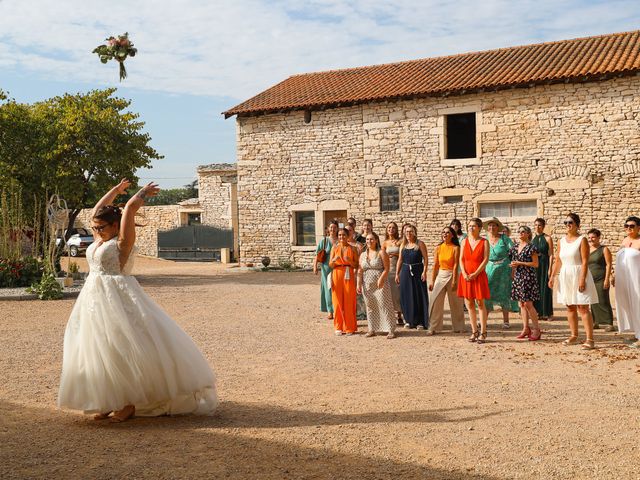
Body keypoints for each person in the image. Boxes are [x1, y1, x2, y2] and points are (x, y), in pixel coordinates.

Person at [58, 179, 218, 422]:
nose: (97, 231)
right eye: (95, 228)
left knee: (124, 346)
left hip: (118, 297)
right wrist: (115, 191)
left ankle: (129, 403)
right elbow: (97, 210)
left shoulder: (122, 243)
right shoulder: (100, 238)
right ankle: (106, 400)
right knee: (98, 347)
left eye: (101, 227)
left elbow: (131, 208)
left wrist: (141, 193)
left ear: (115, 226)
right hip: (93, 298)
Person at [549, 213, 598, 349]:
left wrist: (582, 279)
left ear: (577, 224)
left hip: (579, 273)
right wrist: (552, 276)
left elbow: (585, 261)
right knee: (569, 306)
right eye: (565, 222)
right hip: (565, 274)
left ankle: (590, 339)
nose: (568, 225)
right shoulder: (561, 241)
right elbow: (558, 260)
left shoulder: (582, 240)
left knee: (583, 307)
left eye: (570, 222)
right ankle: (574, 335)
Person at [357, 232, 397, 339]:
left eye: (371, 239)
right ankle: (372, 329)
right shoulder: (362, 255)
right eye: (367, 239)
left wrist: (381, 278)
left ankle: (390, 329)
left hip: (380, 282)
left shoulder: (381, 252)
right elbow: (360, 270)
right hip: (367, 283)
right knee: (370, 306)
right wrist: (358, 284)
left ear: (376, 240)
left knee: (384, 304)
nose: (369, 241)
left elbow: (387, 268)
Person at [458, 218, 491, 344]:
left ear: (479, 228)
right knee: (469, 303)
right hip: (466, 276)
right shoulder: (464, 241)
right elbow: (461, 259)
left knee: (480, 303)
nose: (471, 228)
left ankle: (483, 332)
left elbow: (486, 259)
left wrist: (475, 273)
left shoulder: (484, 242)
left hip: (478, 275)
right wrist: (465, 273)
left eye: (473, 226)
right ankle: (474, 331)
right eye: (469, 226)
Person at [428, 226, 465, 334]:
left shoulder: (455, 248)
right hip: (441, 275)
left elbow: (455, 265)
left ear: (452, 235)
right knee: (436, 302)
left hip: (452, 275)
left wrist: (454, 281)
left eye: (447, 232)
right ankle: (433, 327)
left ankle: (458, 327)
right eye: (443, 232)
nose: (445, 234)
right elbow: (435, 265)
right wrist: (432, 281)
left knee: (456, 303)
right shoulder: (438, 248)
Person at [484, 217, 519, 329]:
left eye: (494, 225)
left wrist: (514, 269)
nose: (492, 227)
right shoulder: (485, 240)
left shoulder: (504, 239)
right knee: (487, 294)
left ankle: (506, 321)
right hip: (489, 268)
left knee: (504, 294)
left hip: (504, 269)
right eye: (490, 225)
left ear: (498, 227)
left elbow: (514, 252)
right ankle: (484, 319)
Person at [509, 226, 542, 341]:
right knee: (521, 304)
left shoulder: (532, 247)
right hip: (518, 277)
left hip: (528, 277)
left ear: (528, 234)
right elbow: (513, 261)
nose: (520, 233)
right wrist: (513, 267)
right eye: (519, 231)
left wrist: (520, 263)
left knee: (528, 304)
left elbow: (536, 264)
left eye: (523, 231)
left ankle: (537, 329)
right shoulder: (515, 247)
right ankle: (525, 328)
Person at [395, 224, 429, 330]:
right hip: (405, 272)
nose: (408, 233)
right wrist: (397, 273)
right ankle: (409, 320)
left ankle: (420, 322)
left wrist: (424, 272)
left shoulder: (420, 244)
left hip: (418, 271)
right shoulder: (403, 245)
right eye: (407, 231)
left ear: (414, 232)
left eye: (411, 231)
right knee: (406, 296)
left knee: (418, 295)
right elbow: (400, 260)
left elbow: (426, 259)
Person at [613, 216, 640, 347]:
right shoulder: (624, 240)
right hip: (623, 278)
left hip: (637, 279)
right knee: (628, 304)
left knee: (638, 303)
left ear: (638, 228)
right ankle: (636, 333)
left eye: (632, 226)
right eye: (626, 226)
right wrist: (613, 275)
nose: (628, 228)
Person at [329, 227, 360, 335]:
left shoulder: (353, 248)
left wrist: (350, 261)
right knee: (337, 300)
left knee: (349, 299)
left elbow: (356, 264)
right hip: (337, 273)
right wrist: (334, 260)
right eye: (340, 235)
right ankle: (338, 326)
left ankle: (349, 327)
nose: (341, 237)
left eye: (344, 235)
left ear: (348, 236)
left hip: (348, 272)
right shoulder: (334, 248)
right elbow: (330, 265)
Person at [587, 228, 614, 331]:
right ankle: (596, 322)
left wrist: (607, 278)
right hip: (589, 278)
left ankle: (608, 323)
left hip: (601, 278)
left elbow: (609, 264)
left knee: (603, 299)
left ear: (598, 237)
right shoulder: (587, 249)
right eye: (589, 237)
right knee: (592, 300)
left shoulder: (604, 249)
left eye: (593, 237)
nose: (591, 239)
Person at [313, 220, 338, 320]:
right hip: (326, 268)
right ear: (328, 228)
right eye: (331, 227)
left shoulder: (340, 239)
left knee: (337, 289)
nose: (332, 229)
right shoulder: (323, 241)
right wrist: (315, 267)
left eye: (334, 227)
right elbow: (317, 255)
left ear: (337, 229)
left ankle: (337, 308)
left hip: (338, 267)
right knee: (328, 289)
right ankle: (330, 310)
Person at [532, 218, 554, 321]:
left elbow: (551, 254)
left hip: (545, 264)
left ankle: (548, 313)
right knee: (536, 288)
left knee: (546, 288)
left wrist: (550, 268)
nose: (537, 227)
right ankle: (538, 312)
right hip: (535, 266)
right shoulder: (532, 238)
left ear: (543, 226)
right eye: (536, 225)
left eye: (539, 225)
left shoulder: (548, 238)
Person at [381, 221, 403, 324]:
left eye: (393, 228)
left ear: (396, 229)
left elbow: (403, 255)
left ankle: (400, 315)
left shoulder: (400, 241)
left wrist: (395, 254)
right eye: (389, 227)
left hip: (398, 269)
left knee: (398, 292)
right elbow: (381, 255)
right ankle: (392, 315)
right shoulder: (385, 243)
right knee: (390, 293)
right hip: (388, 269)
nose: (391, 229)